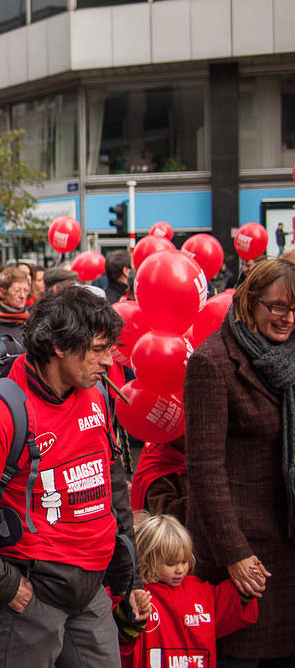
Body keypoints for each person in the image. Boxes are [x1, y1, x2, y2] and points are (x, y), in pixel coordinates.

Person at [0, 286, 143, 666]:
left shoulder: (95, 393)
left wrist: (130, 580)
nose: (109, 361)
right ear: (59, 345)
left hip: (92, 590)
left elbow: (113, 486)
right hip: (33, 596)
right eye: (97, 349)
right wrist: (6, 587)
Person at [184, 257, 295, 664]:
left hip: (288, 538)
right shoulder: (212, 363)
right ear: (251, 301)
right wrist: (234, 553)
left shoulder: (291, 357)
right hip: (243, 551)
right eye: (277, 306)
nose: (287, 318)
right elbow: (203, 469)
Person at [115, 514, 257, 668]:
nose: (180, 570)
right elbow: (118, 639)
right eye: (171, 564)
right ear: (147, 559)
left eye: (184, 561)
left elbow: (224, 604)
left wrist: (250, 581)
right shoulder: (132, 591)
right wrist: (131, 612)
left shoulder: (198, 590)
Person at [0, 266, 31, 342]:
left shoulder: (32, 322)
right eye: (16, 290)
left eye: (26, 290)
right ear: (1, 292)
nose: (22, 295)